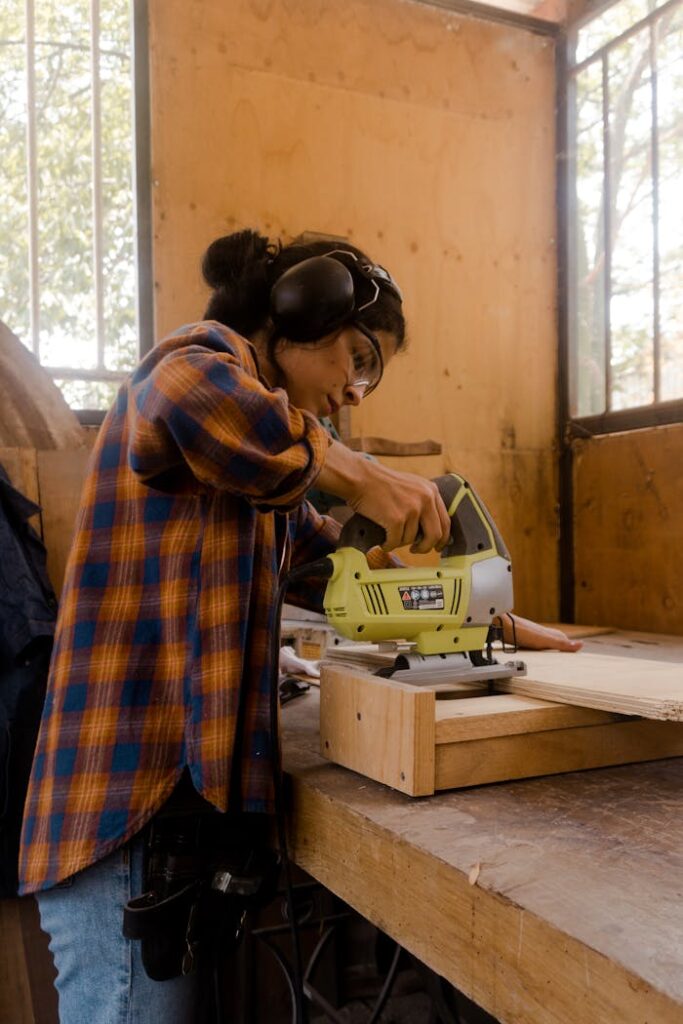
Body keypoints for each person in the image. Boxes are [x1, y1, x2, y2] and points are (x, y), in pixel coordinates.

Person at [19, 230, 578, 1024]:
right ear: (296, 314)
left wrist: (498, 618)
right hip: (126, 809)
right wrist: (361, 473)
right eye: (356, 359)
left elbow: (359, 584)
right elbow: (185, 394)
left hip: (173, 822)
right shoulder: (194, 362)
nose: (356, 392)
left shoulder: (265, 491)